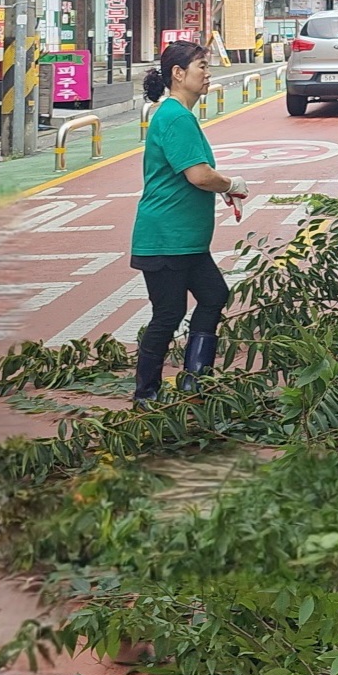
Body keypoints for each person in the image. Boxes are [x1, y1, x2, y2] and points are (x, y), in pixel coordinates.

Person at [131, 41, 249, 404]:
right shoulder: (176, 117)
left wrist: (222, 187)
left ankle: (194, 381)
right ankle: (146, 393)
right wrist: (230, 184)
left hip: (185, 239)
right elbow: (199, 175)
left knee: (213, 295)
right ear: (178, 74)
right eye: (202, 66)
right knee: (168, 314)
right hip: (167, 237)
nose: (208, 73)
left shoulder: (177, 114)